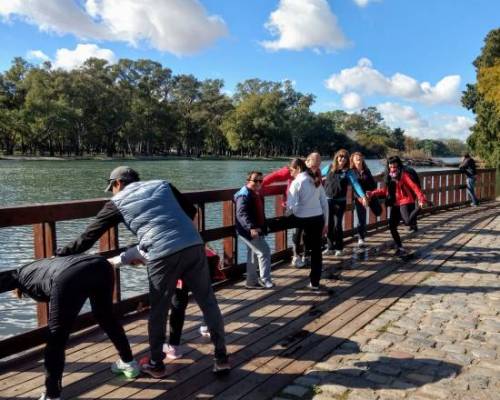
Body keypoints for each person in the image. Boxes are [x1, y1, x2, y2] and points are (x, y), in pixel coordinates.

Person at [56, 166, 229, 378]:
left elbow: (87, 238)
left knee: (159, 309)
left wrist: (61, 254)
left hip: (162, 253)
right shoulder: (162, 184)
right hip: (194, 245)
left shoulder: (117, 203)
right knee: (208, 301)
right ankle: (221, 358)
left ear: (118, 183)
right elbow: (191, 211)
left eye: (112, 188)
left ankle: (156, 362)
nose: (113, 192)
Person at [0, 254, 138, 400]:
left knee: (57, 337)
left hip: (69, 276)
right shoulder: (32, 268)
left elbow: (12, 280)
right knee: (106, 317)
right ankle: (129, 363)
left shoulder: (22, 280)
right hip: (101, 264)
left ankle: (52, 395)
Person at [110, 245, 225, 359]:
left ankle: (174, 347)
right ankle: (218, 349)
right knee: (206, 301)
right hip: (203, 259)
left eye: (134, 263)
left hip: (182, 263)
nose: (138, 265)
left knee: (177, 306)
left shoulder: (146, 251)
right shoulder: (155, 241)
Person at [262, 152, 322, 268]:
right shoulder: (291, 169)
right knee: (297, 232)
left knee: (307, 233)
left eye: (319, 163)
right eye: (315, 163)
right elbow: (273, 177)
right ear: (307, 161)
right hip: (292, 208)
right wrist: (259, 186)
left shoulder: (316, 173)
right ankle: (296, 256)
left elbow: (319, 190)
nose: (317, 166)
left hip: (308, 209)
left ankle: (306, 255)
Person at [367, 156, 428, 256]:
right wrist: (372, 193)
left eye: (395, 167)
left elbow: (414, 187)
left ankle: (420, 207)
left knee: (407, 222)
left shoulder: (404, 175)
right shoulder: (388, 176)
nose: (393, 169)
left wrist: (421, 199)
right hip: (395, 203)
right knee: (392, 226)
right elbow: (384, 191)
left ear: (398, 165)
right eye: (390, 167)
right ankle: (400, 247)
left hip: (405, 201)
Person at [287, 158, 329, 290]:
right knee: (317, 251)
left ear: (298, 169)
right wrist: (326, 222)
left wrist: (287, 212)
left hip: (302, 219)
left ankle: (298, 255)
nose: (290, 173)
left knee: (299, 236)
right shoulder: (315, 181)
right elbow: (324, 203)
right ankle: (315, 282)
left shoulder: (297, 182)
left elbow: (291, 206)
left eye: (292, 170)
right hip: (317, 218)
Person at [321, 149, 367, 256]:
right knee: (329, 224)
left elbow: (355, 184)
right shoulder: (329, 168)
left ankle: (339, 248)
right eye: (340, 157)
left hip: (340, 202)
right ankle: (330, 247)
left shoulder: (348, 172)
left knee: (337, 225)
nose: (342, 159)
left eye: (345, 157)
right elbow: (316, 175)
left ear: (347, 160)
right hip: (327, 201)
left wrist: (363, 196)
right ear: (336, 158)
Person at [234, 171, 274, 289]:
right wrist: (251, 228)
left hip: (255, 229)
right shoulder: (244, 194)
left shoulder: (255, 193)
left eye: (260, 181)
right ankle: (265, 280)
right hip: (248, 231)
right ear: (248, 181)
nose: (258, 183)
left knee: (253, 254)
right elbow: (241, 214)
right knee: (264, 251)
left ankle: (251, 282)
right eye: (255, 180)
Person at [350, 152, 381, 247]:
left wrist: (370, 193)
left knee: (379, 212)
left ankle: (363, 233)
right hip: (359, 198)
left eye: (360, 159)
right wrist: (361, 197)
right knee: (361, 218)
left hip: (369, 195)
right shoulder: (351, 171)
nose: (359, 161)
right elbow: (354, 186)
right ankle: (361, 238)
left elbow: (373, 183)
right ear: (353, 160)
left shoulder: (366, 170)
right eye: (357, 159)